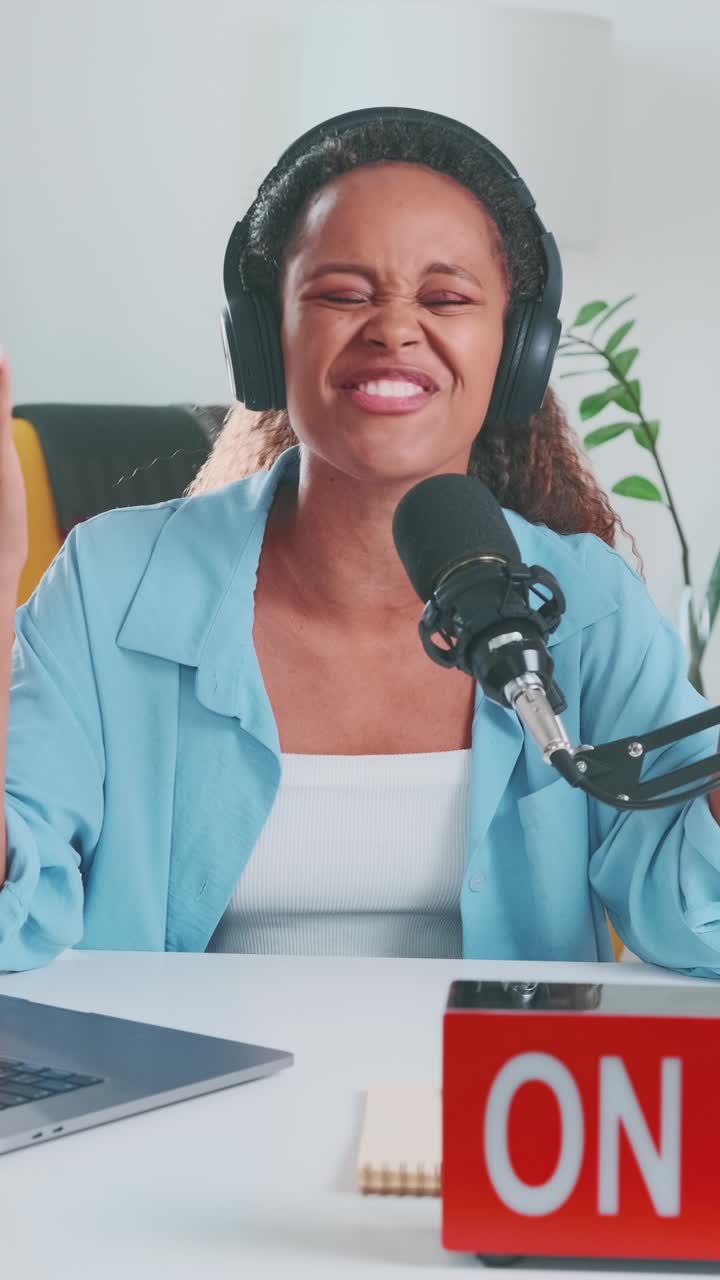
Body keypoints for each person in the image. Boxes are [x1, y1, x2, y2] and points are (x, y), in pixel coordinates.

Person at [2, 107, 720, 976]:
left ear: (518, 349)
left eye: (447, 298)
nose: (393, 328)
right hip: (187, 1106)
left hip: (491, 1107)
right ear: (265, 337)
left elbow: (693, 920)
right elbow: (16, 917)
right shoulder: (110, 585)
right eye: (342, 294)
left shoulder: (588, 604)